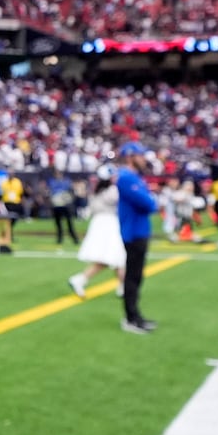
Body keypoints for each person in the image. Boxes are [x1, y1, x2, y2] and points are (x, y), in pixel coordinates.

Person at [115, 142, 160, 334]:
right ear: (130, 157)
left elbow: (149, 202)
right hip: (133, 232)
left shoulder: (134, 178)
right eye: (140, 156)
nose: (143, 159)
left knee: (137, 276)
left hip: (139, 231)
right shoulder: (126, 178)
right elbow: (147, 203)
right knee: (132, 277)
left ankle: (136, 316)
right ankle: (130, 319)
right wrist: (151, 200)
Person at [69, 165, 125, 299]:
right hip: (109, 224)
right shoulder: (112, 191)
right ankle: (123, 287)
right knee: (117, 257)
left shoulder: (97, 190)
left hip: (100, 223)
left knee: (113, 258)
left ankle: (122, 287)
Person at [50, 171, 79, 245]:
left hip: (65, 205)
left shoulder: (66, 181)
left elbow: (69, 190)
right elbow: (53, 190)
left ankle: (74, 238)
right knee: (58, 223)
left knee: (69, 223)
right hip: (57, 205)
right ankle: (60, 239)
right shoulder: (53, 182)